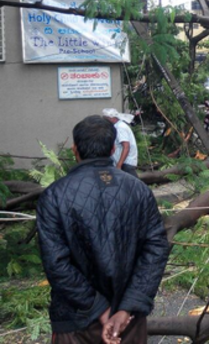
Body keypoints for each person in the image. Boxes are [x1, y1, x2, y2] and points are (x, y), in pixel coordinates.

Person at [37, 116, 169, 344]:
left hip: (75, 323)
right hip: (127, 324)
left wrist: (99, 309)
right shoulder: (138, 190)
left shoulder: (54, 196)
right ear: (111, 149)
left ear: (74, 149)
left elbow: (56, 264)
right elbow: (156, 249)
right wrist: (126, 308)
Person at [102, 108, 138, 177]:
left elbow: (126, 146)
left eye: (106, 118)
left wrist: (119, 165)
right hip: (123, 162)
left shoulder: (120, 127)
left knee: (132, 183)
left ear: (112, 118)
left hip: (126, 162)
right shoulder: (116, 126)